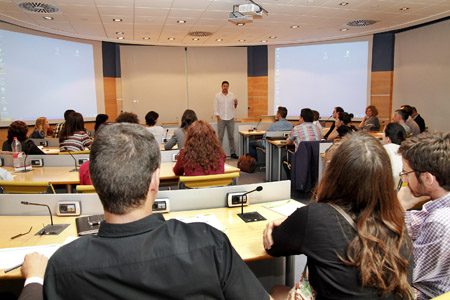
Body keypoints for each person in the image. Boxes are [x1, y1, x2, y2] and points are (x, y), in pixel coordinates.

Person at [18, 123, 270, 300]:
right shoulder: (209, 242)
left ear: (93, 180)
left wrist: (34, 281)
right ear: (155, 181)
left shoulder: (64, 264)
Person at [264, 131, 414, 300]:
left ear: (335, 173)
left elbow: (273, 246)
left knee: (276, 291)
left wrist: (285, 223)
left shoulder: (316, 216)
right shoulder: (397, 223)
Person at [397, 132, 450, 300]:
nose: (404, 180)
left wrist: (398, 207)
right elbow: (416, 222)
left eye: (406, 173)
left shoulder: (439, 222)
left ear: (427, 178)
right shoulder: (440, 206)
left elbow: (405, 272)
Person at [214, 81, 238, 159]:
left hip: (230, 118)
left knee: (231, 136)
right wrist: (217, 116)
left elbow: (234, 108)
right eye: (224, 86)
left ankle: (233, 153)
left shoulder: (232, 95)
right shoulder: (217, 96)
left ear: (228, 87)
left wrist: (236, 103)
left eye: (227, 86)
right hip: (221, 118)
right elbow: (215, 106)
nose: (225, 87)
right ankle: (219, 153)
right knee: (220, 137)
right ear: (221, 86)